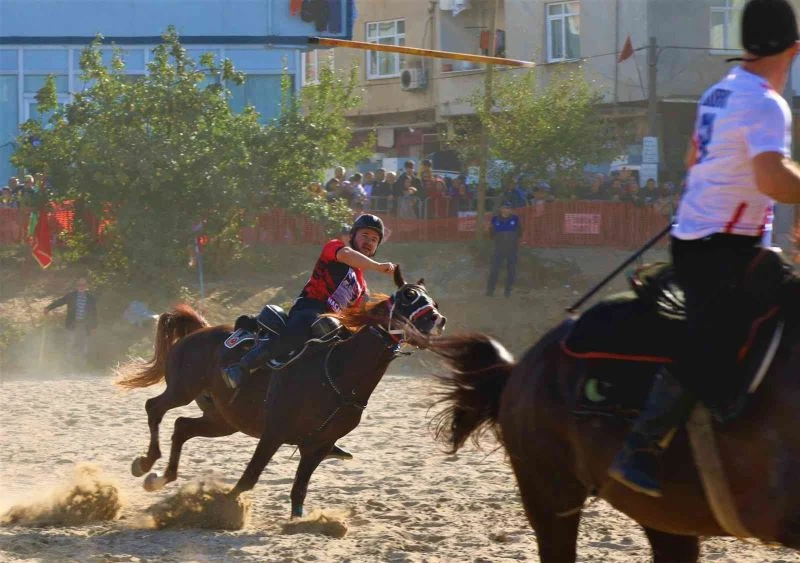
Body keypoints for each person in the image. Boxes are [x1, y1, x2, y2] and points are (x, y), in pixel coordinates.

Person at [609, 0, 800, 498]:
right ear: (793, 49)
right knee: (714, 338)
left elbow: (694, 157)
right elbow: (773, 178)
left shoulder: (721, 90)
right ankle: (642, 445)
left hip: (703, 235)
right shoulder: (767, 103)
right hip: (722, 246)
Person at [222, 213, 396, 390]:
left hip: (332, 324)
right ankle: (242, 367)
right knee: (301, 329)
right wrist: (377, 266)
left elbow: (355, 317)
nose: (369, 242)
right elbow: (347, 255)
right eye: (365, 235)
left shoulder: (362, 286)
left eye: (374, 239)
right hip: (310, 308)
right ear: (352, 235)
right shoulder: (336, 247)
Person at [45, 277, 98, 365]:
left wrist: (94, 326)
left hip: (85, 325)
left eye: (83, 285)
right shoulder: (71, 296)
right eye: (79, 285)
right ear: (76, 286)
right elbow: (60, 302)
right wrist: (48, 308)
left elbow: (94, 312)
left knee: (84, 344)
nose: (81, 287)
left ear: (87, 286)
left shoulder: (91, 298)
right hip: (72, 324)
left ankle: (82, 364)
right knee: (70, 343)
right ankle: (68, 364)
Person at [486, 201, 522, 298]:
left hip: (512, 249)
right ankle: (490, 290)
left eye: (508, 208)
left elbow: (519, 232)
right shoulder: (495, 219)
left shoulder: (515, 219)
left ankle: (508, 290)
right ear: (500, 209)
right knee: (494, 269)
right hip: (499, 248)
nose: (506, 210)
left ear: (511, 209)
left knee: (511, 270)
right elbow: (491, 233)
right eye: (504, 208)